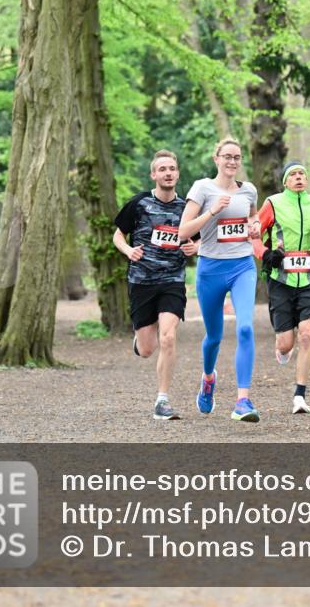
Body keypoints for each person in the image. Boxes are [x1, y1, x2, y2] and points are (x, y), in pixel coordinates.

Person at [178, 136, 263, 422]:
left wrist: (254, 228)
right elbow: (182, 231)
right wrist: (212, 212)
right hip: (211, 268)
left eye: (237, 157)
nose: (232, 161)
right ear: (216, 159)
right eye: (227, 156)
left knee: (246, 329)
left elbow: (253, 220)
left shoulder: (249, 190)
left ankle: (242, 401)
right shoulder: (203, 188)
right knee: (214, 336)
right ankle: (208, 378)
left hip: (242, 266)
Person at [112, 150, 199, 420]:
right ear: (154, 174)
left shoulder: (186, 208)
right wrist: (128, 251)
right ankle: (139, 342)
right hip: (142, 281)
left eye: (172, 168)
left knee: (169, 337)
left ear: (178, 173)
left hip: (172, 280)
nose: (168, 173)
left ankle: (162, 400)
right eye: (162, 169)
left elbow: (198, 240)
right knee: (148, 349)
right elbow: (117, 235)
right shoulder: (138, 203)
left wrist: (193, 248)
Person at [251, 161, 310, 414]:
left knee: (306, 333)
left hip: (309, 279)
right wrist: (266, 254)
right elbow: (253, 235)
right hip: (281, 281)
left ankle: (300, 396)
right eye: (293, 175)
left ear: (306, 180)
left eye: (302, 174)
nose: (298, 178)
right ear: (285, 181)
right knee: (286, 343)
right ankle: (282, 350)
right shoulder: (273, 203)